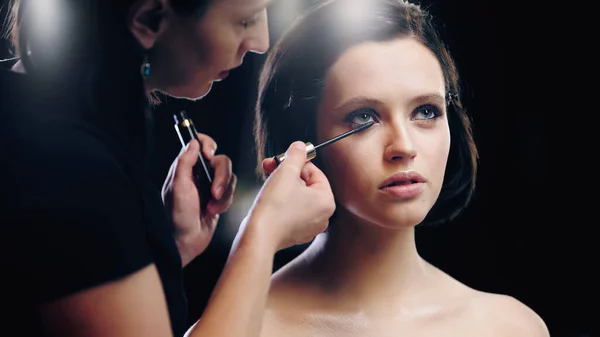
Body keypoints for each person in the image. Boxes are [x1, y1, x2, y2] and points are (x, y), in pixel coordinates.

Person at [0, 0, 335, 336]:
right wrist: (262, 235)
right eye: (245, 21)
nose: (261, 41)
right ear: (149, 18)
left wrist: (169, 246)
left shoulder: (38, 111)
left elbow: (65, 278)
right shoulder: (66, 166)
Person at [254, 0, 550, 335]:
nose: (404, 148)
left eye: (425, 111)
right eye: (364, 117)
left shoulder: (511, 327)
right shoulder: (246, 325)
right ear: (304, 140)